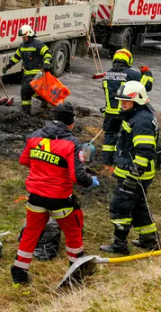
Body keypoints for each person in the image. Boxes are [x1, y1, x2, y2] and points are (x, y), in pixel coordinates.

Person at [12, 102, 98, 286]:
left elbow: (24, 160)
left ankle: (19, 272)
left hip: (35, 197)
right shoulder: (71, 143)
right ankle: (75, 273)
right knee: (74, 233)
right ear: (71, 123)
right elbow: (79, 177)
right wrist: (91, 181)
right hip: (60, 199)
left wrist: (43, 168)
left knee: (30, 234)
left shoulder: (35, 136)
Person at [100, 81, 161, 254]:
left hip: (134, 174)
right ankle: (149, 240)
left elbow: (144, 150)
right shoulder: (139, 115)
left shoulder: (141, 121)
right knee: (139, 207)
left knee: (120, 206)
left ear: (138, 100)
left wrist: (132, 177)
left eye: (126, 101)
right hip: (134, 172)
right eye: (120, 100)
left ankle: (119, 244)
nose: (122, 104)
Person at [100, 49, 154, 166]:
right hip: (124, 112)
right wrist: (147, 73)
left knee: (110, 136)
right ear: (128, 60)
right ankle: (119, 160)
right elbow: (146, 86)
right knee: (123, 136)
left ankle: (106, 161)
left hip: (109, 113)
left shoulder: (107, 74)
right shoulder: (132, 74)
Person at [3, 25, 51, 115]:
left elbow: (47, 53)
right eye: (22, 37)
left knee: (26, 90)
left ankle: (27, 111)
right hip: (26, 73)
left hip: (37, 73)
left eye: (25, 37)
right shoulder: (22, 46)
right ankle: (31, 109)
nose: (23, 39)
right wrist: (8, 66)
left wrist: (47, 62)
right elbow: (16, 57)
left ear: (30, 35)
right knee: (27, 93)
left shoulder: (38, 44)